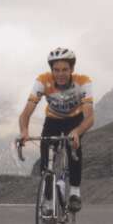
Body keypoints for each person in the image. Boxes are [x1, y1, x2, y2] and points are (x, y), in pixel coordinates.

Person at [18, 47, 94, 213]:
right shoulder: (43, 81)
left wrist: (77, 132)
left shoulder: (83, 82)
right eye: (56, 70)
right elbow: (26, 113)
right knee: (46, 159)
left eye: (65, 70)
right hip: (52, 120)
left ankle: (74, 192)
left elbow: (90, 118)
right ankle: (48, 199)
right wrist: (24, 130)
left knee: (74, 148)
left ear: (72, 69)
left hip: (75, 120)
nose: (60, 74)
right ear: (51, 70)